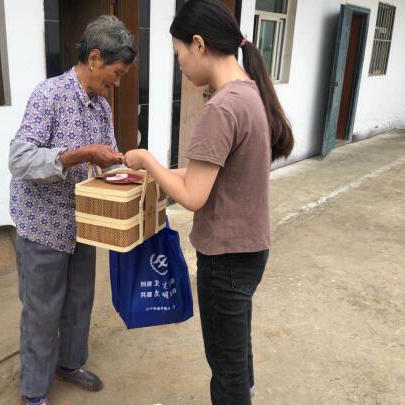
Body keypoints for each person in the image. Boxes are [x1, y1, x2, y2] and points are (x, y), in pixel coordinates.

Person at [124, 1, 294, 404]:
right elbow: (212, 173)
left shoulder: (221, 106)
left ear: (198, 44)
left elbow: (193, 197)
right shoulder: (250, 93)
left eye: (179, 53)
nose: (180, 64)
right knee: (238, 356)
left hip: (226, 257)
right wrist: (164, 172)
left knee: (226, 372)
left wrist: (147, 159)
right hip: (250, 250)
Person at [8, 15, 137, 405]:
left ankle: (69, 364)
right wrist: (79, 155)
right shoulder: (48, 95)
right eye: (116, 73)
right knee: (42, 312)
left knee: (79, 301)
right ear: (94, 58)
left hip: (84, 223)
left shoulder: (101, 107)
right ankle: (34, 392)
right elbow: (19, 160)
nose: (118, 83)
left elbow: (107, 161)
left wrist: (133, 171)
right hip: (43, 225)